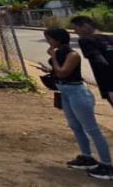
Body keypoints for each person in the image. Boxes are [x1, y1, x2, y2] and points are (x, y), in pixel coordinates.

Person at [41, 27, 113, 180]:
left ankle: (107, 165)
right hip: (65, 92)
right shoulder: (60, 53)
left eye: (49, 39)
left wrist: (53, 57)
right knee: (75, 126)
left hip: (77, 93)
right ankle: (87, 157)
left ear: (58, 39)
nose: (48, 42)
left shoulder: (72, 54)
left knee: (92, 129)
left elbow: (63, 72)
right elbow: (58, 73)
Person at [72, 16, 113, 108]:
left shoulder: (86, 40)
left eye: (76, 28)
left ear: (86, 26)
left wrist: (110, 89)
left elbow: (100, 63)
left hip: (109, 84)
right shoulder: (111, 38)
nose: (75, 32)